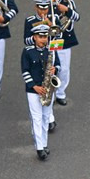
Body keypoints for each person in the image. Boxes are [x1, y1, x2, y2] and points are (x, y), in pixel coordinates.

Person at [21, 24, 61, 160]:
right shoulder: (27, 51)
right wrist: (34, 86)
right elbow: (25, 71)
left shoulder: (51, 51)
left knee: (45, 117)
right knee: (36, 118)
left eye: (45, 37)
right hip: (34, 90)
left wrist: (55, 69)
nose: (43, 40)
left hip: (48, 88)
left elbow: (59, 65)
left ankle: (44, 144)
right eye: (41, 37)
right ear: (34, 37)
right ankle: (39, 148)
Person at [46, 0, 79, 107]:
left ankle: (60, 93)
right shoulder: (45, 4)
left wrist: (67, 10)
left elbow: (77, 17)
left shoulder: (68, 3)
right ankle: (51, 93)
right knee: (50, 68)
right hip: (50, 41)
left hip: (65, 41)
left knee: (64, 69)